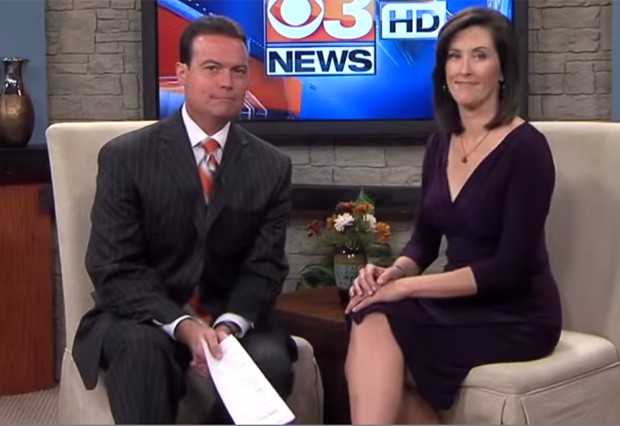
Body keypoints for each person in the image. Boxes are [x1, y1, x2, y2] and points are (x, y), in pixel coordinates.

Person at [71, 15, 297, 424]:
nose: (227, 82)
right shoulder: (126, 157)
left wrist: (230, 325)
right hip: (141, 315)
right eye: (212, 68)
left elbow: (265, 267)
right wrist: (183, 325)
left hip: (225, 313)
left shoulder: (272, 166)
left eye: (238, 71)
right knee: (142, 353)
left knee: (270, 359)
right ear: (182, 74)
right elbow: (114, 266)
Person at [344, 7, 562, 424]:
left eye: (479, 55)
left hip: (517, 313)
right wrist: (392, 274)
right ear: (443, 70)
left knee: (379, 345)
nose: (464, 69)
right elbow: (423, 242)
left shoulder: (527, 148)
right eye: (454, 56)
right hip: (457, 304)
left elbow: (508, 268)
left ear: (503, 70)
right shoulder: (440, 143)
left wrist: (407, 290)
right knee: (368, 316)